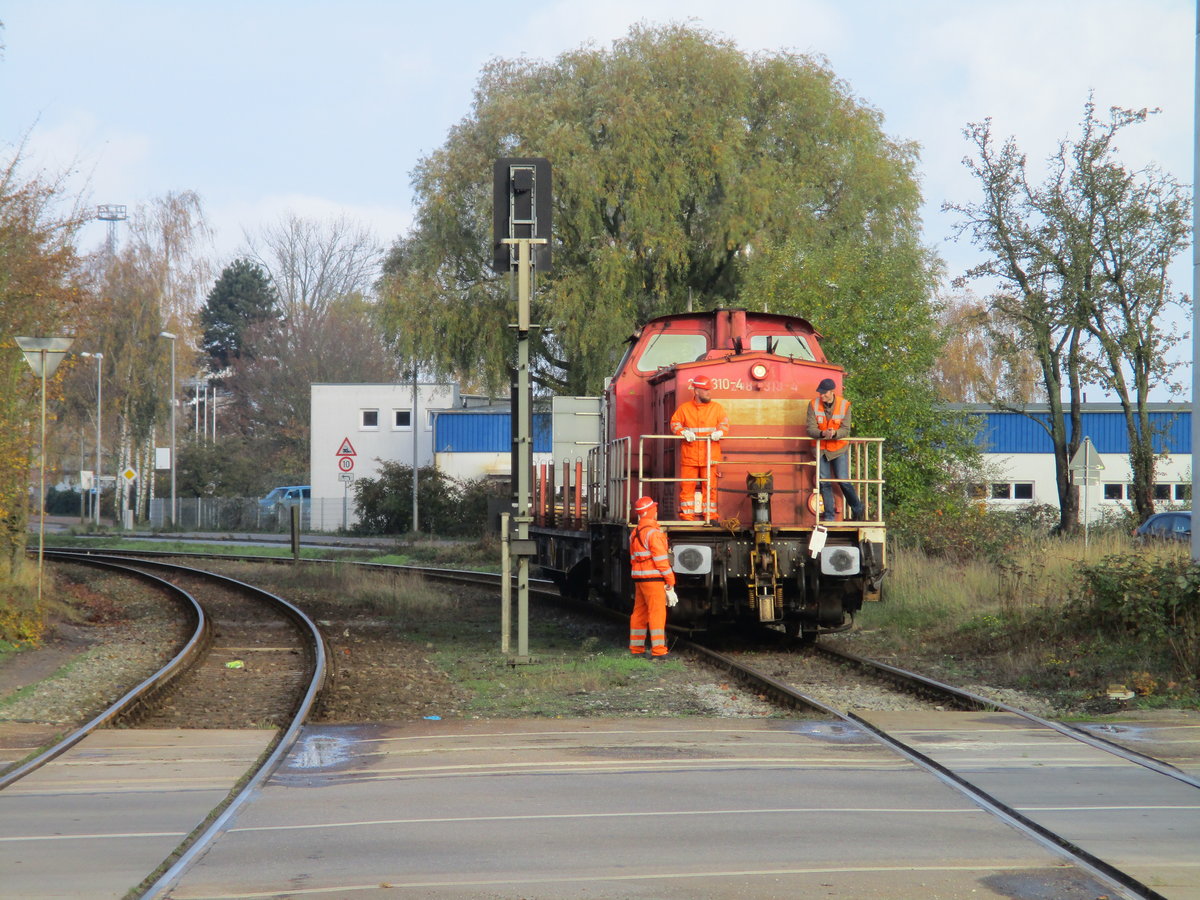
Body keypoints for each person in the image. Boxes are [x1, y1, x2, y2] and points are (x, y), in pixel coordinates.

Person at [669, 375, 730, 522]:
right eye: (706, 390)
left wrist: (720, 432)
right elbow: (674, 424)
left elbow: (724, 425)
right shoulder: (684, 409)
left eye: (709, 389)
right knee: (687, 488)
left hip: (710, 456)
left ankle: (711, 517)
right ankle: (687, 518)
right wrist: (683, 432)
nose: (709, 392)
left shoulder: (717, 408)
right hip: (690, 456)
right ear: (696, 391)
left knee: (710, 489)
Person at [806, 377, 864, 522]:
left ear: (831, 392)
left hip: (838, 449)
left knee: (843, 480)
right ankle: (829, 516)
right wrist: (822, 434)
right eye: (820, 393)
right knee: (824, 482)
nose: (821, 396)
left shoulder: (844, 405)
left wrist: (835, 434)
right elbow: (810, 428)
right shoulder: (813, 405)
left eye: (824, 393)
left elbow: (846, 429)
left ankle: (858, 508)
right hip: (820, 449)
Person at [629, 495, 677, 660]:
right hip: (654, 579)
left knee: (639, 613)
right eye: (655, 510)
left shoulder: (634, 533)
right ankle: (658, 651)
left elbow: (633, 558)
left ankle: (636, 649)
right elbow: (661, 561)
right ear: (650, 512)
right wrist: (670, 580)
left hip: (639, 579)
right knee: (656, 614)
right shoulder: (654, 534)